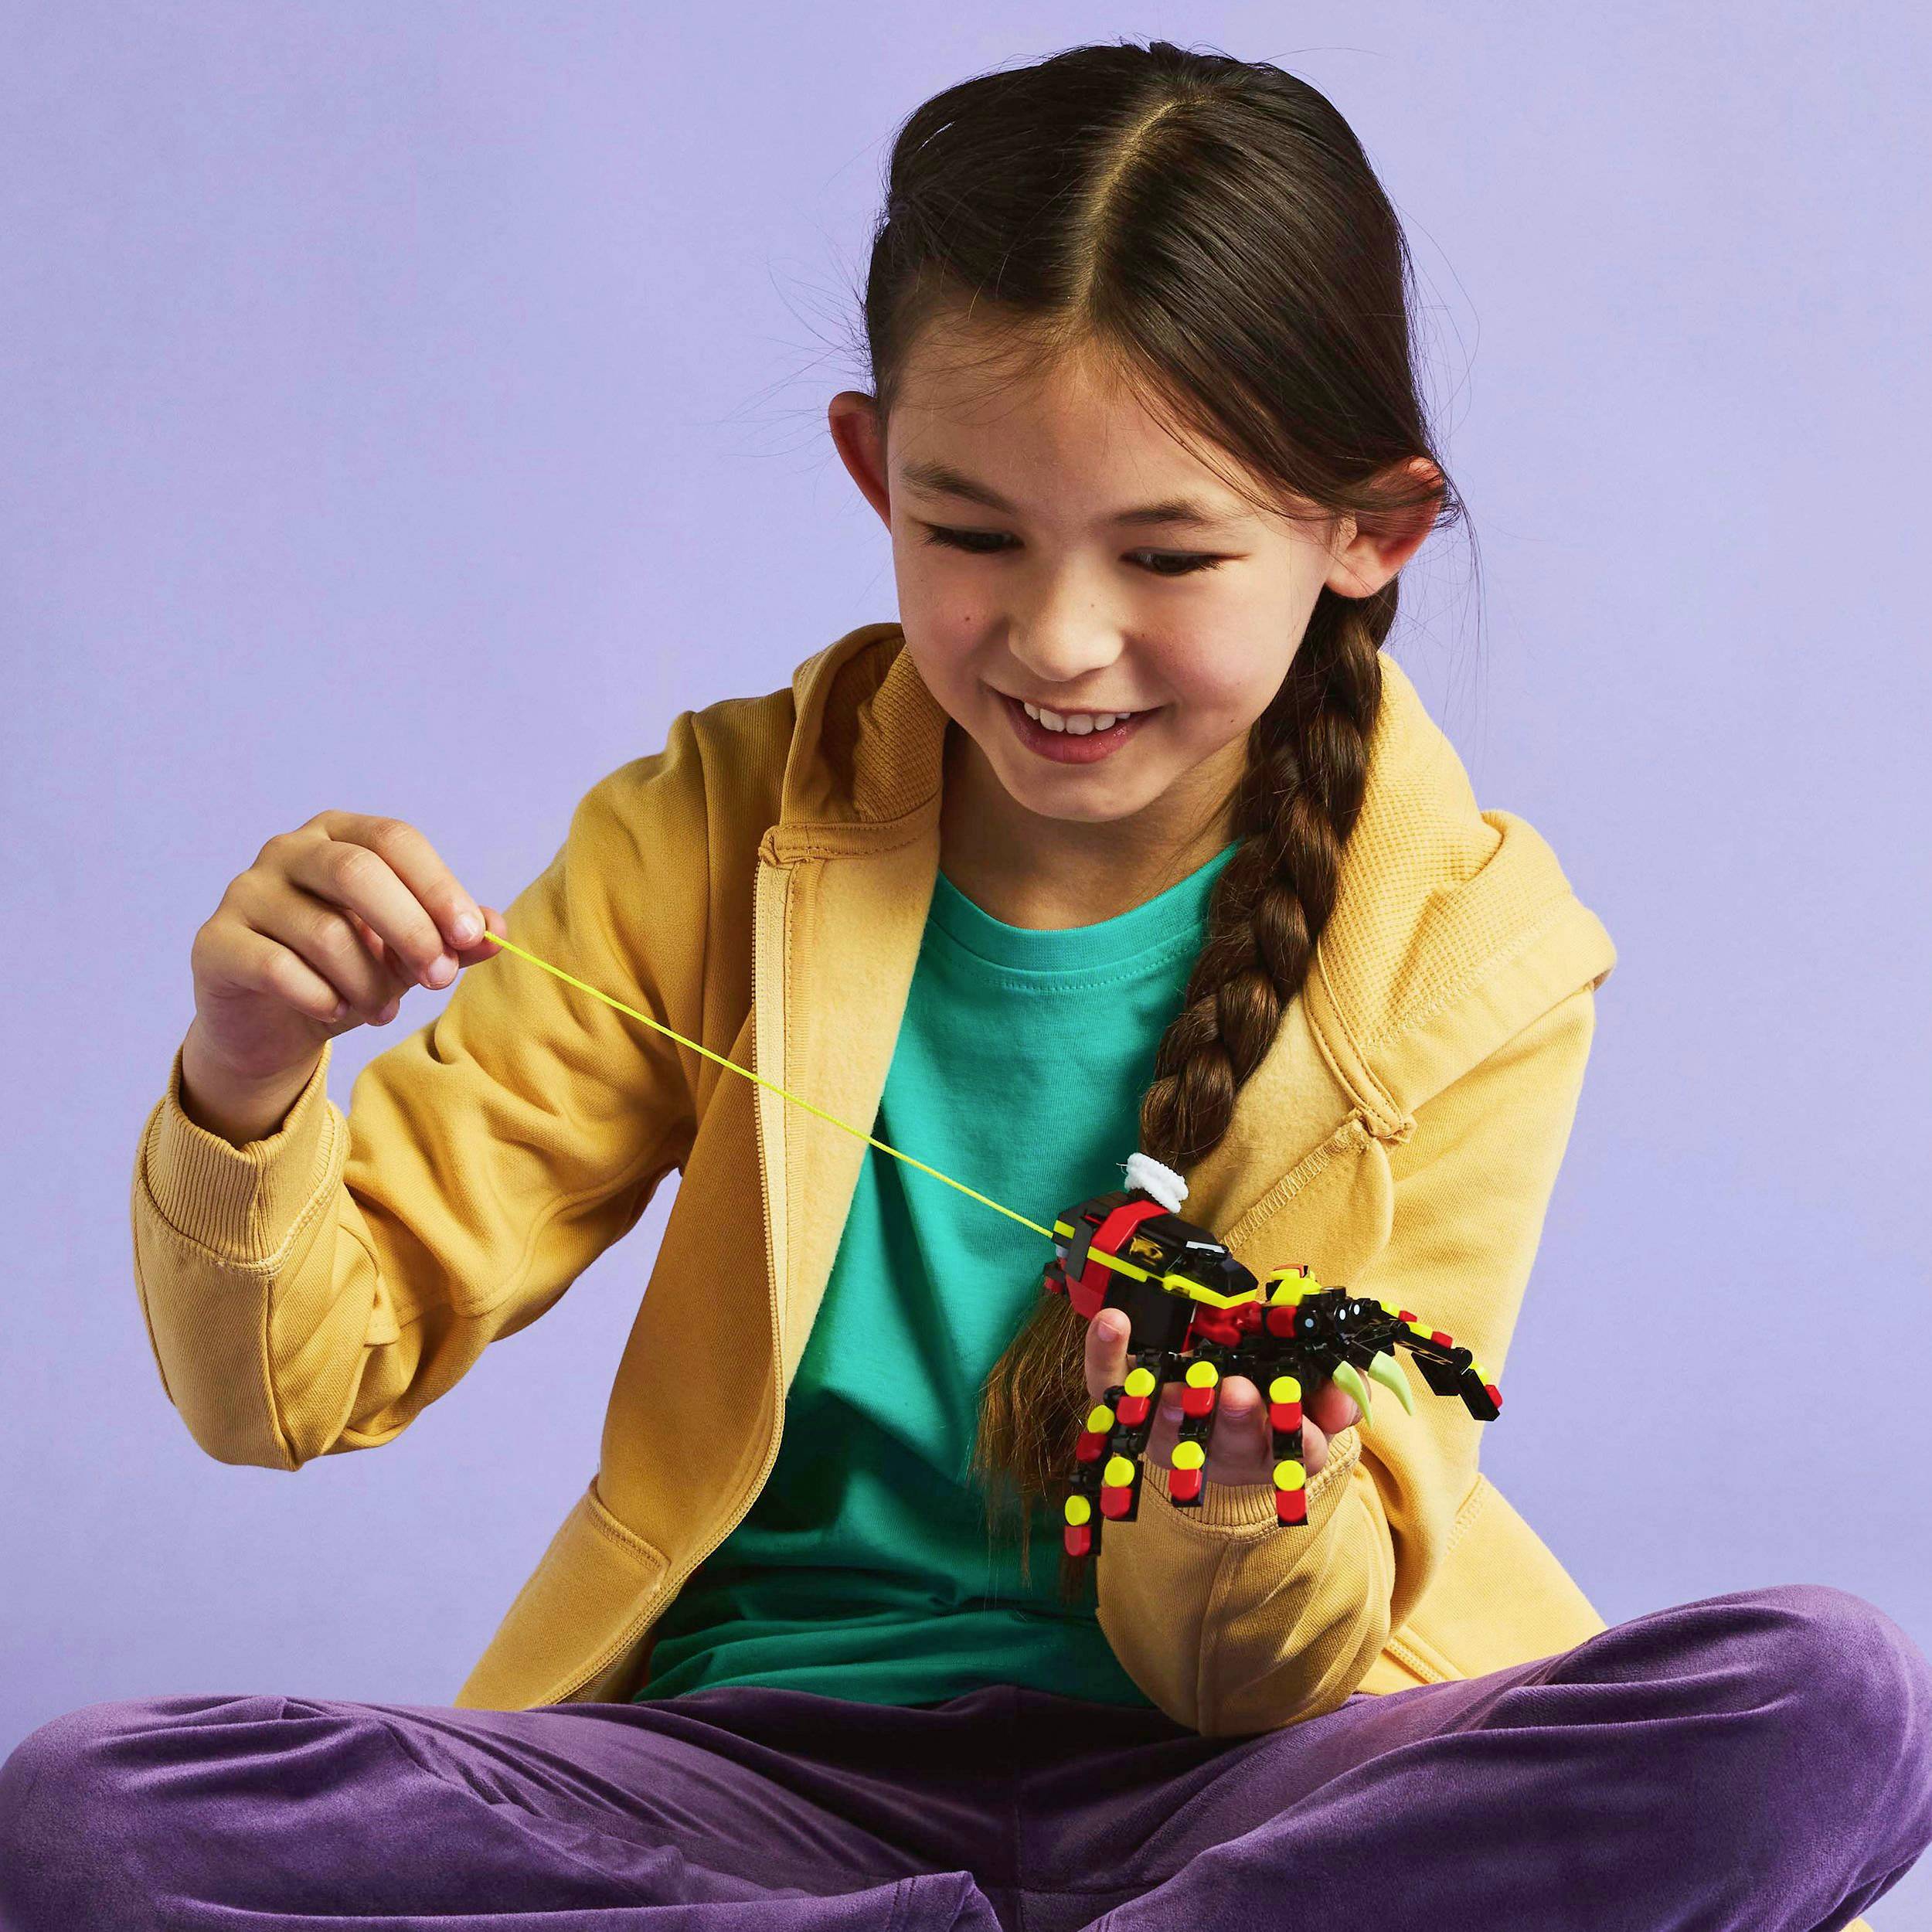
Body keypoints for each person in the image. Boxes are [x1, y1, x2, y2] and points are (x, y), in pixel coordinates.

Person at [2, 37, 1927, 1932]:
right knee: (92, 1814)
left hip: (1261, 1782)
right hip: (747, 1774)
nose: (1057, 636)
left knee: (1826, 1707)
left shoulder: (1465, 946)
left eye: (1167, 551)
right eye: (970, 532)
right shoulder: (715, 825)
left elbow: (1250, 1676)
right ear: (871, 468)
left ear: (1369, 528)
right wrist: (247, 1074)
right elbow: (293, 1377)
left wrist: (1232, 1497)